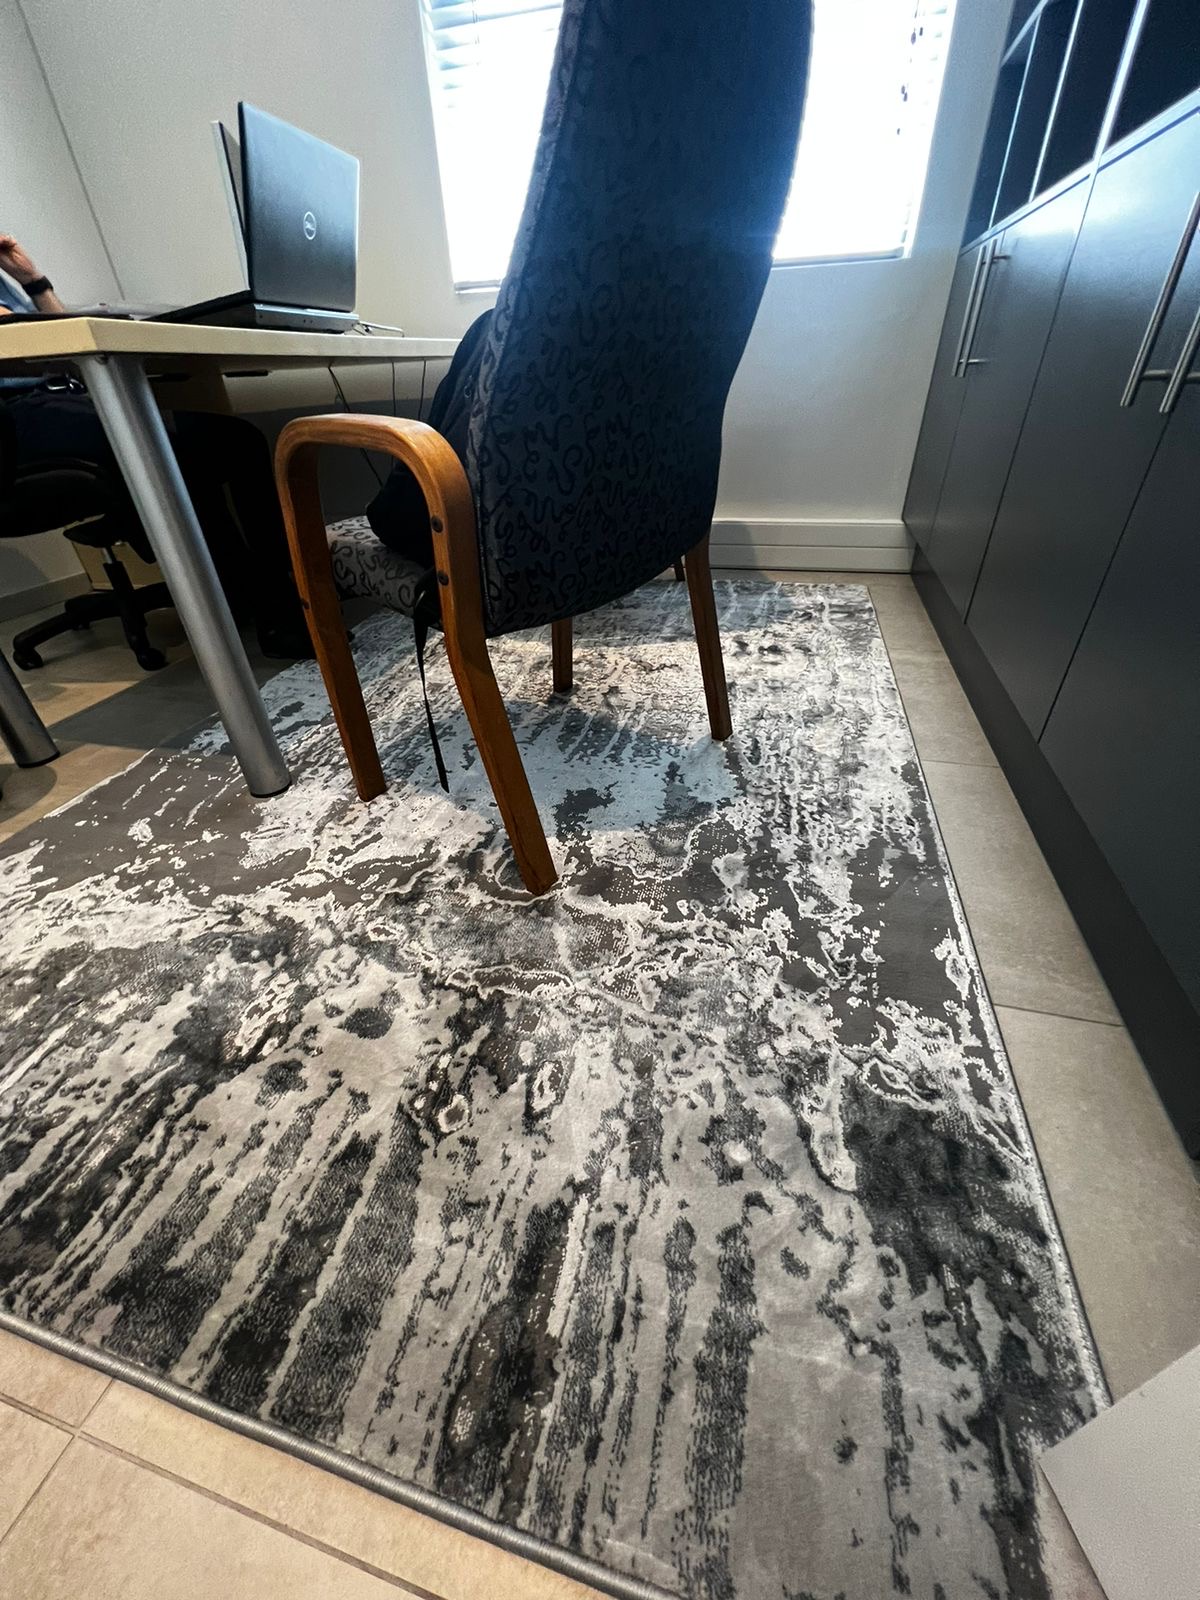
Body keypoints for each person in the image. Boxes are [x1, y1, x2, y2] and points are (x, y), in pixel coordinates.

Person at [0, 233, 311, 658]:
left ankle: (250, 595)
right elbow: (32, 342)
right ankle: (279, 608)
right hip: (15, 420)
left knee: (208, 450)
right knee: (226, 445)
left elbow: (66, 338)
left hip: (64, 395)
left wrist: (33, 281)